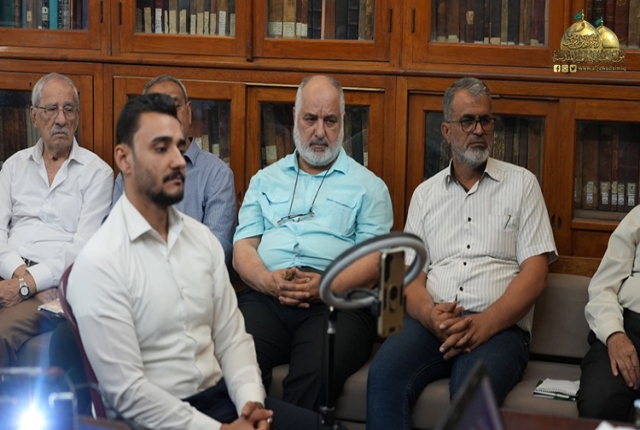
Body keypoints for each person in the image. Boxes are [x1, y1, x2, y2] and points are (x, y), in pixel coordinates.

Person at [67, 93, 322, 430]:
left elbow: (232, 338)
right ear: (124, 159)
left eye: (180, 146)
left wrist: (251, 407)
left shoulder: (202, 241)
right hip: (155, 420)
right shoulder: (99, 262)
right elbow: (128, 392)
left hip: (224, 403)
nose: (178, 161)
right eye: (161, 148)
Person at [366, 77, 558, 429]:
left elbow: (536, 275)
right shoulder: (424, 195)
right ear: (446, 130)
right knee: (383, 375)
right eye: (467, 121)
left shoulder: (523, 184)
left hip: (499, 329)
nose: (478, 130)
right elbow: (404, 278)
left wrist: (484, 323)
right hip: (432, 324)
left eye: (485, 120)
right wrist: (430, 316)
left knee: (469, 394)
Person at [233, 75, 393, 411]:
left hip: (338, 303)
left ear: (343, 122)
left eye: (330, 121)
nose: (319, 132)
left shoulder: (369, 187)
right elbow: (243, 248)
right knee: (234, 363)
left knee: (314, 374)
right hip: (267, 297)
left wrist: (325, 285)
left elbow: (377, 260)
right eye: (310, 119)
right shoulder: (264, 180)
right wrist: (267, 280)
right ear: (295, 117)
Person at [0, 72, 113, 366]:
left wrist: (29, 285)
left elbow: (82, 248)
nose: (60, 119)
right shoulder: (13, 166)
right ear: (34, 116)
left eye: (69, 109)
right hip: (11, 274)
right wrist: (23, 278)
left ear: (77, 117)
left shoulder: (98, 174)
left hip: (51, 290)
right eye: (51, 109)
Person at [111, 75, 236, 265]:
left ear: (189, 112)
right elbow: (115, 240)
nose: (167, 117)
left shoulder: (217, 174)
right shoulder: (131, 172)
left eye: (174, 107)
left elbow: (216, 250)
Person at [578, 206, 640, 422]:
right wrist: (614, 335)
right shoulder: (637, 218)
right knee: (598, 404)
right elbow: (603, 287)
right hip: (628, 329)